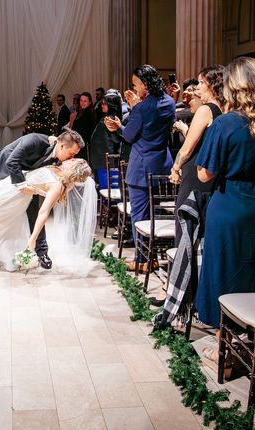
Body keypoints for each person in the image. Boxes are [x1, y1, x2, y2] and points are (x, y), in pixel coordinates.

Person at [195, 57, 255, 365]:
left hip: (229, 204)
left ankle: (224, 348)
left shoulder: (226, 123)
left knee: (224, 271)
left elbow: (205, 172)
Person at [105, 65, 175, 271]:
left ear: (145, 84)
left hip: (141, 168)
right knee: (157, 213)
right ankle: (153, 255)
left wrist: (119, 126)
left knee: (139, 215)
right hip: (163, 164)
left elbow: (129, 136)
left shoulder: (142, 108)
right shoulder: (169, 102)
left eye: (135, 84)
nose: (134, 89)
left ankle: (143, 260)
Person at [0, 129, 85, 269]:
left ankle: (42, 252)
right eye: (71, 154)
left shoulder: (58, 156)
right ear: (62, 146)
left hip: (29, 178)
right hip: (4, 170)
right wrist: (23, 187)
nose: (71, 158)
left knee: (33, 211)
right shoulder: (34, 140)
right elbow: (12, 161)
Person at [170, 65, 224, 243]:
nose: (198, 87)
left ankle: (184, 266)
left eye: (201, 82)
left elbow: (188, 147)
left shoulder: (205, 110)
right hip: (211, 174)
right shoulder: (224, 110)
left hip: (195, 173)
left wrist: (176, 168)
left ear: (213, 86)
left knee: (186, 221)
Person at [72, 92, 97, 161]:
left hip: (83, 146)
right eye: (81, 100)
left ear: (90, 102)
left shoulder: (89, 113)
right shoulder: (82, 111)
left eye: (85, 101)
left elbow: (87, 132)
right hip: (79, 144)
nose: (82, 103)